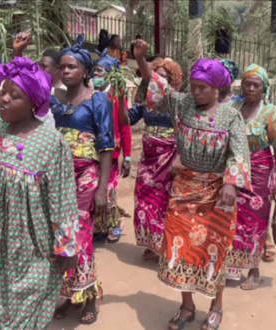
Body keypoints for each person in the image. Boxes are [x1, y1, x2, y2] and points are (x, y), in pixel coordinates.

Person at [133, 39, 251, 330]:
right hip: (183, 190)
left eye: (203, 88)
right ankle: (186, 307)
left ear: (217, 90)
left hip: (216, 196)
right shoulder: (182, 104)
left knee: (214, 251)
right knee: (179, 249)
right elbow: (157, 85)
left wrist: (231, 185)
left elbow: (239, 153)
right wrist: (141, 59)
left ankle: (216, 307)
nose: (196, 92)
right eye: (194, 86)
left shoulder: (230, 116)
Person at [0, 57, 79, 330]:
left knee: (23, 311)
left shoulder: (51, 143)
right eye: (2, 92)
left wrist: (68, 246)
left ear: (33, 104)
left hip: (31, 247)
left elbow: (62, 198)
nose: (3, 99)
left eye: (14, 96)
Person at [51, 34, 114, 324]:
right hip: (57, 176)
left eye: (72, 67)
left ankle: (90, 295)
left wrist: (102, 188)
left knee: (79, 236)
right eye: (62, 66)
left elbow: (106, 147)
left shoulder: (98, 100)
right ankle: (69, 294)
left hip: (86, 175)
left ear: (85, 71)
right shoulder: (53, 99)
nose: (65, 71)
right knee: (58, 235)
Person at [227, 64, 276, 290]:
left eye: (256, 85)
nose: (251, 88)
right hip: (233, 171)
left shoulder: (270, 113)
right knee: (230, 217)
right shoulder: (232, 107)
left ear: (264, 89)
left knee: (255, 222)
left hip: (260, 173)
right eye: (247, 84)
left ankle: (253, 271)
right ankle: (231, 267)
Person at [119, 58, 183, 260]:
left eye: (164, 77)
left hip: (170, 156)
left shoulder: (178, 101)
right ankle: (152, 241)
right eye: (156, 76)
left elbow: (186, 132)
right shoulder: (146, 101)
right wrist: (120, 98)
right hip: (149, 158)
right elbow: (127, 119)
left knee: (166, 200)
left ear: (172, 81)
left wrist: (178, 159)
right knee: (144, 199)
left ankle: (166, 244)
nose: (158, 80)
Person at [91, 48, 131, 243]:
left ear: (109, 74)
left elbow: (125, 128)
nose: (96, 74)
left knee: (108, 191)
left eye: (100, 71)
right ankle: (99, 225)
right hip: (92, 152)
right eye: (95, 71)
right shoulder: (88, 95)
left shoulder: (116, 97)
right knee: (93, 189)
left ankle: (115, 224)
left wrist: (128, 157)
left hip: (111, 155)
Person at [12, 31, 65, 127]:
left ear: (57, 69)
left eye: (44, 66)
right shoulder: (35, 89)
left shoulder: (68, 92)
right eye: (39, 66)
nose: (39, 70)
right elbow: (19, 75)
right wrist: (17, 50)